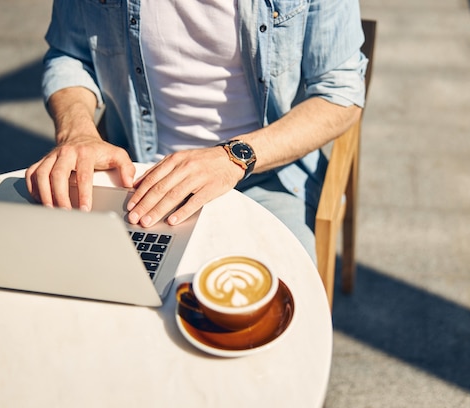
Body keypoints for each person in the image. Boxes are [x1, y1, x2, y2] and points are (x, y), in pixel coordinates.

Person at [26, 0, 368, 262]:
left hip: (265, 177)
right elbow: (68, 55)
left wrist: (231, 158)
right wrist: (77, 132)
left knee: (271, 318)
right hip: (131, 172)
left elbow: (339, 93)